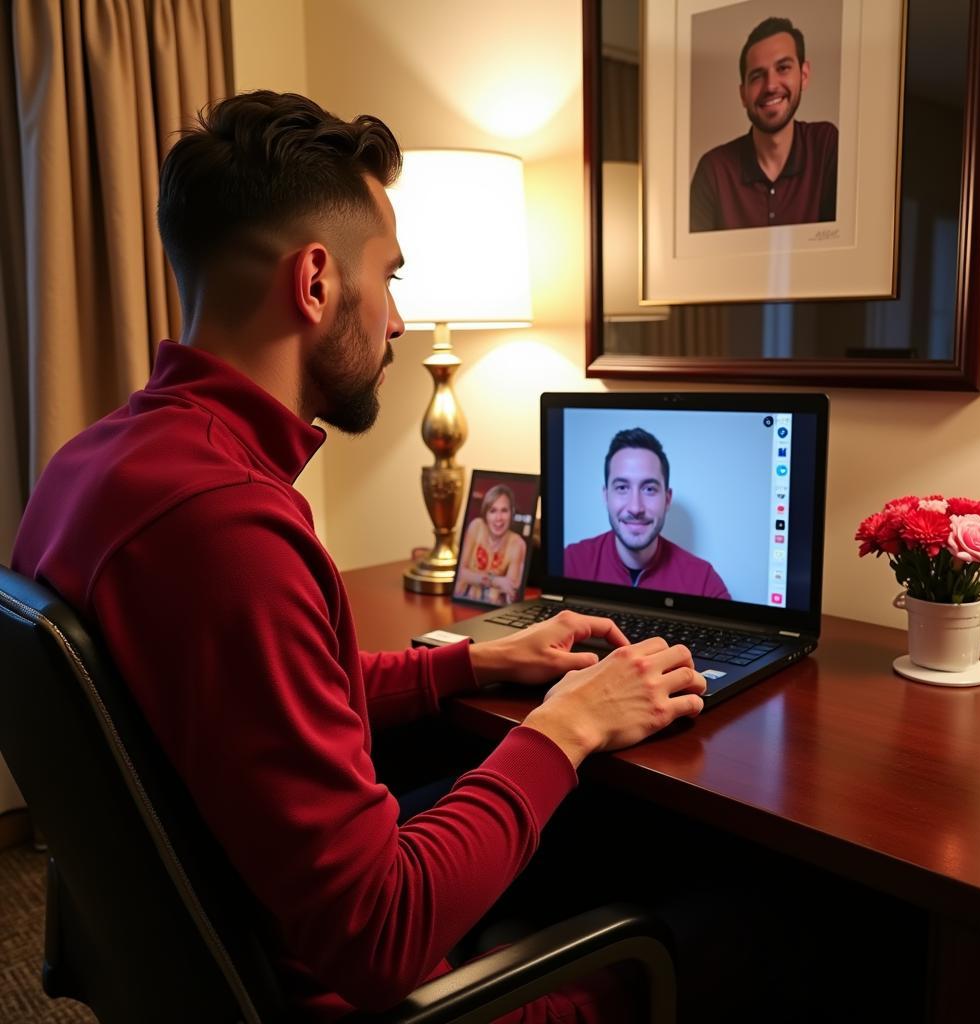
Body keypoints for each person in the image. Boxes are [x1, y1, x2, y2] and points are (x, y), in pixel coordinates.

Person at [11, 91, 708, 1021]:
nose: (395, 322)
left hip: (208, 948)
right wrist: (567, 727)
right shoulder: (231, 528)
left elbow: (262, 701)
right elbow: (381, 935)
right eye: (391, 277)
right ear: (315, 282)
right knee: (710, 931)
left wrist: (472, 664)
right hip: (335, 991)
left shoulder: (96, 465)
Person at [689, 16, 838, 232]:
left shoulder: (826, 145)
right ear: (743, 94)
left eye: (783, 68)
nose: (770, 85)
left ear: (804, 75)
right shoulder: (713, 170)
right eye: (757, 76)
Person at [564, 428, 731, 598]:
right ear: (606, 496)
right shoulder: (570, 563)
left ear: (667, 499)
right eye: (622, 488)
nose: (635, 508)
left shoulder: (704, 583)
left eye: (649, 489)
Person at [454, 483, 528, 604]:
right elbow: (460, 573)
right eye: (492, 511)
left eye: (504, 510)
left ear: (512, 513)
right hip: (462, 600)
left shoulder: (517, 544)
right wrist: (496, 581)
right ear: (485, 514)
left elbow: (510, 592)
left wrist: (512, 591)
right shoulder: (476, 526)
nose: (498, 518)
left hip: (491, 609)